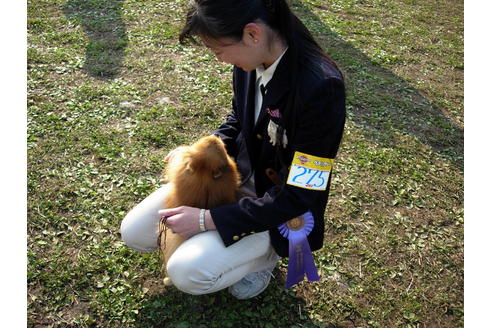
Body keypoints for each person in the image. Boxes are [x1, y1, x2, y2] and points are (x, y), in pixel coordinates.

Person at [120, 0, 345, 299]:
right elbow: (239, 119)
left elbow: (302, 192)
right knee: (135, 232)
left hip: (274, 207)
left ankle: (264, 259)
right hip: (230, 183)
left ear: (252, 34)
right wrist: (201, 152)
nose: (220, 60)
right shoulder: (252, 59)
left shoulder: (321, 88)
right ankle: (226, 245)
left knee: (188, 274)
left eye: (219, 50)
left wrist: (206, 221)